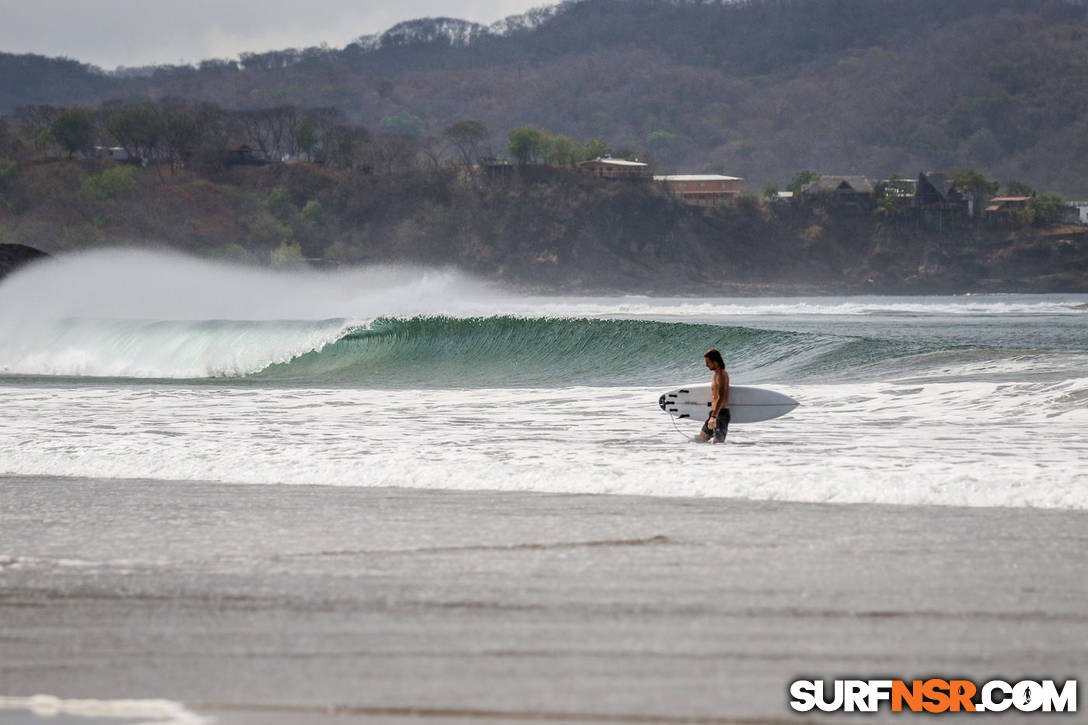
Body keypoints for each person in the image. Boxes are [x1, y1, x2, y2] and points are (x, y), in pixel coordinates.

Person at [696, 348, 730, 443]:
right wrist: (712, 415)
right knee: (700, 440)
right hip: (714, 413)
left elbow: (721, 397)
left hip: (720, 415)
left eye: (708, 362)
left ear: (715, 361)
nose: (706, 365)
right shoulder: (716, 375)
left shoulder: (722, 375)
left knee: (718, 444)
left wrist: (714, 417)